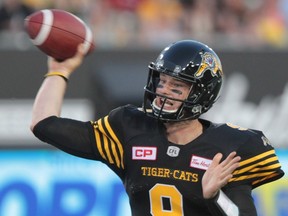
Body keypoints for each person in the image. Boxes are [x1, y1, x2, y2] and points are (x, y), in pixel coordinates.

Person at [30, 40, 284, 216]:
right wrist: (59, 71)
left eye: (176, 87)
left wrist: (215, 195)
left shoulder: (229, 148)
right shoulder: (130, 129)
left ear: (201, 94)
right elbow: (44, 125)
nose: (163, 92)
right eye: (162, 82)